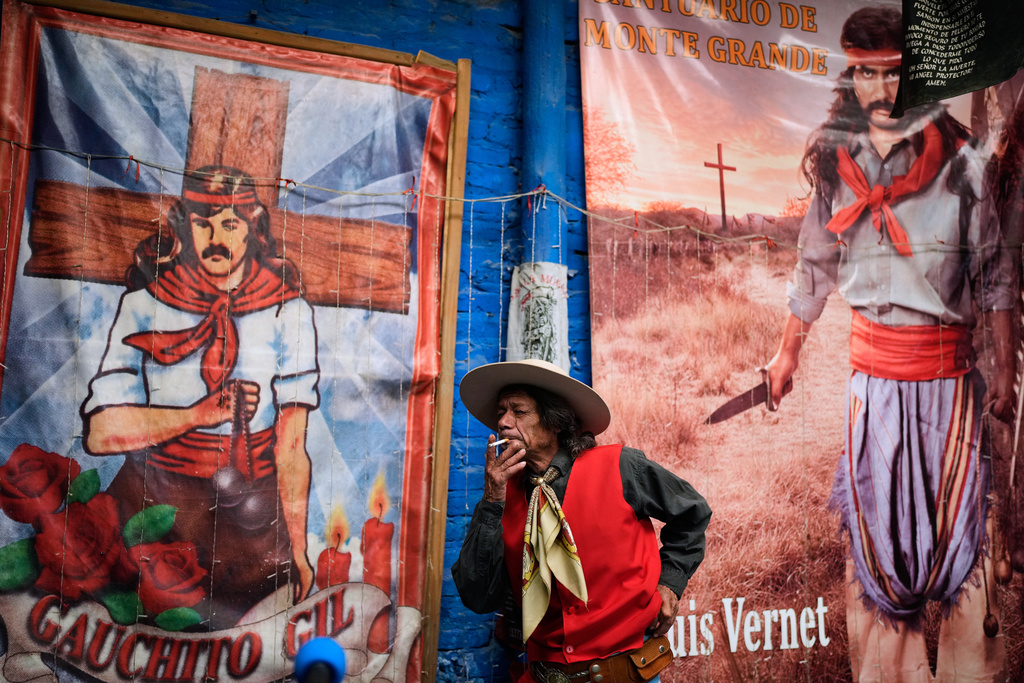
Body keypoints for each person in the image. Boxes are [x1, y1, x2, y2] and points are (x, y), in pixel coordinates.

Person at [766, 7, 1016, 682]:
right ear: (851, 75)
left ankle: (972, 671)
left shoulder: (962, 167)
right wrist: (787, 352)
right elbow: (812, 267)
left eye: (894, 74)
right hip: (872, 390)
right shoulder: (834, 168)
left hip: (947, 387)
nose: (879, 90)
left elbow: (993, 272)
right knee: (879, 541)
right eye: (865, 73)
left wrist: (1003, 369)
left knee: (959, 540)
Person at [81, 166, 320, 628]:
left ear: (253, 228)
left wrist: (299, 548)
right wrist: (196, 415)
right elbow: (99, 433)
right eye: (203, 223)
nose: (216, 237)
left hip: (252, 522)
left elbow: (291, 446)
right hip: (153, 509)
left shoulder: (287, 312)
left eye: (230, 224)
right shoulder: (143, 304)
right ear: (184, 226)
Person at [452, 358, 711, 682]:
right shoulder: (502, 496)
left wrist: (671, 583)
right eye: (501, 412)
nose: (503, 421)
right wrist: (491, 501)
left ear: (555, 421)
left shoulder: (619, 466)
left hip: (626, 672)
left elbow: (692, 512)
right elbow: (478, 597)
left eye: (518, 412)